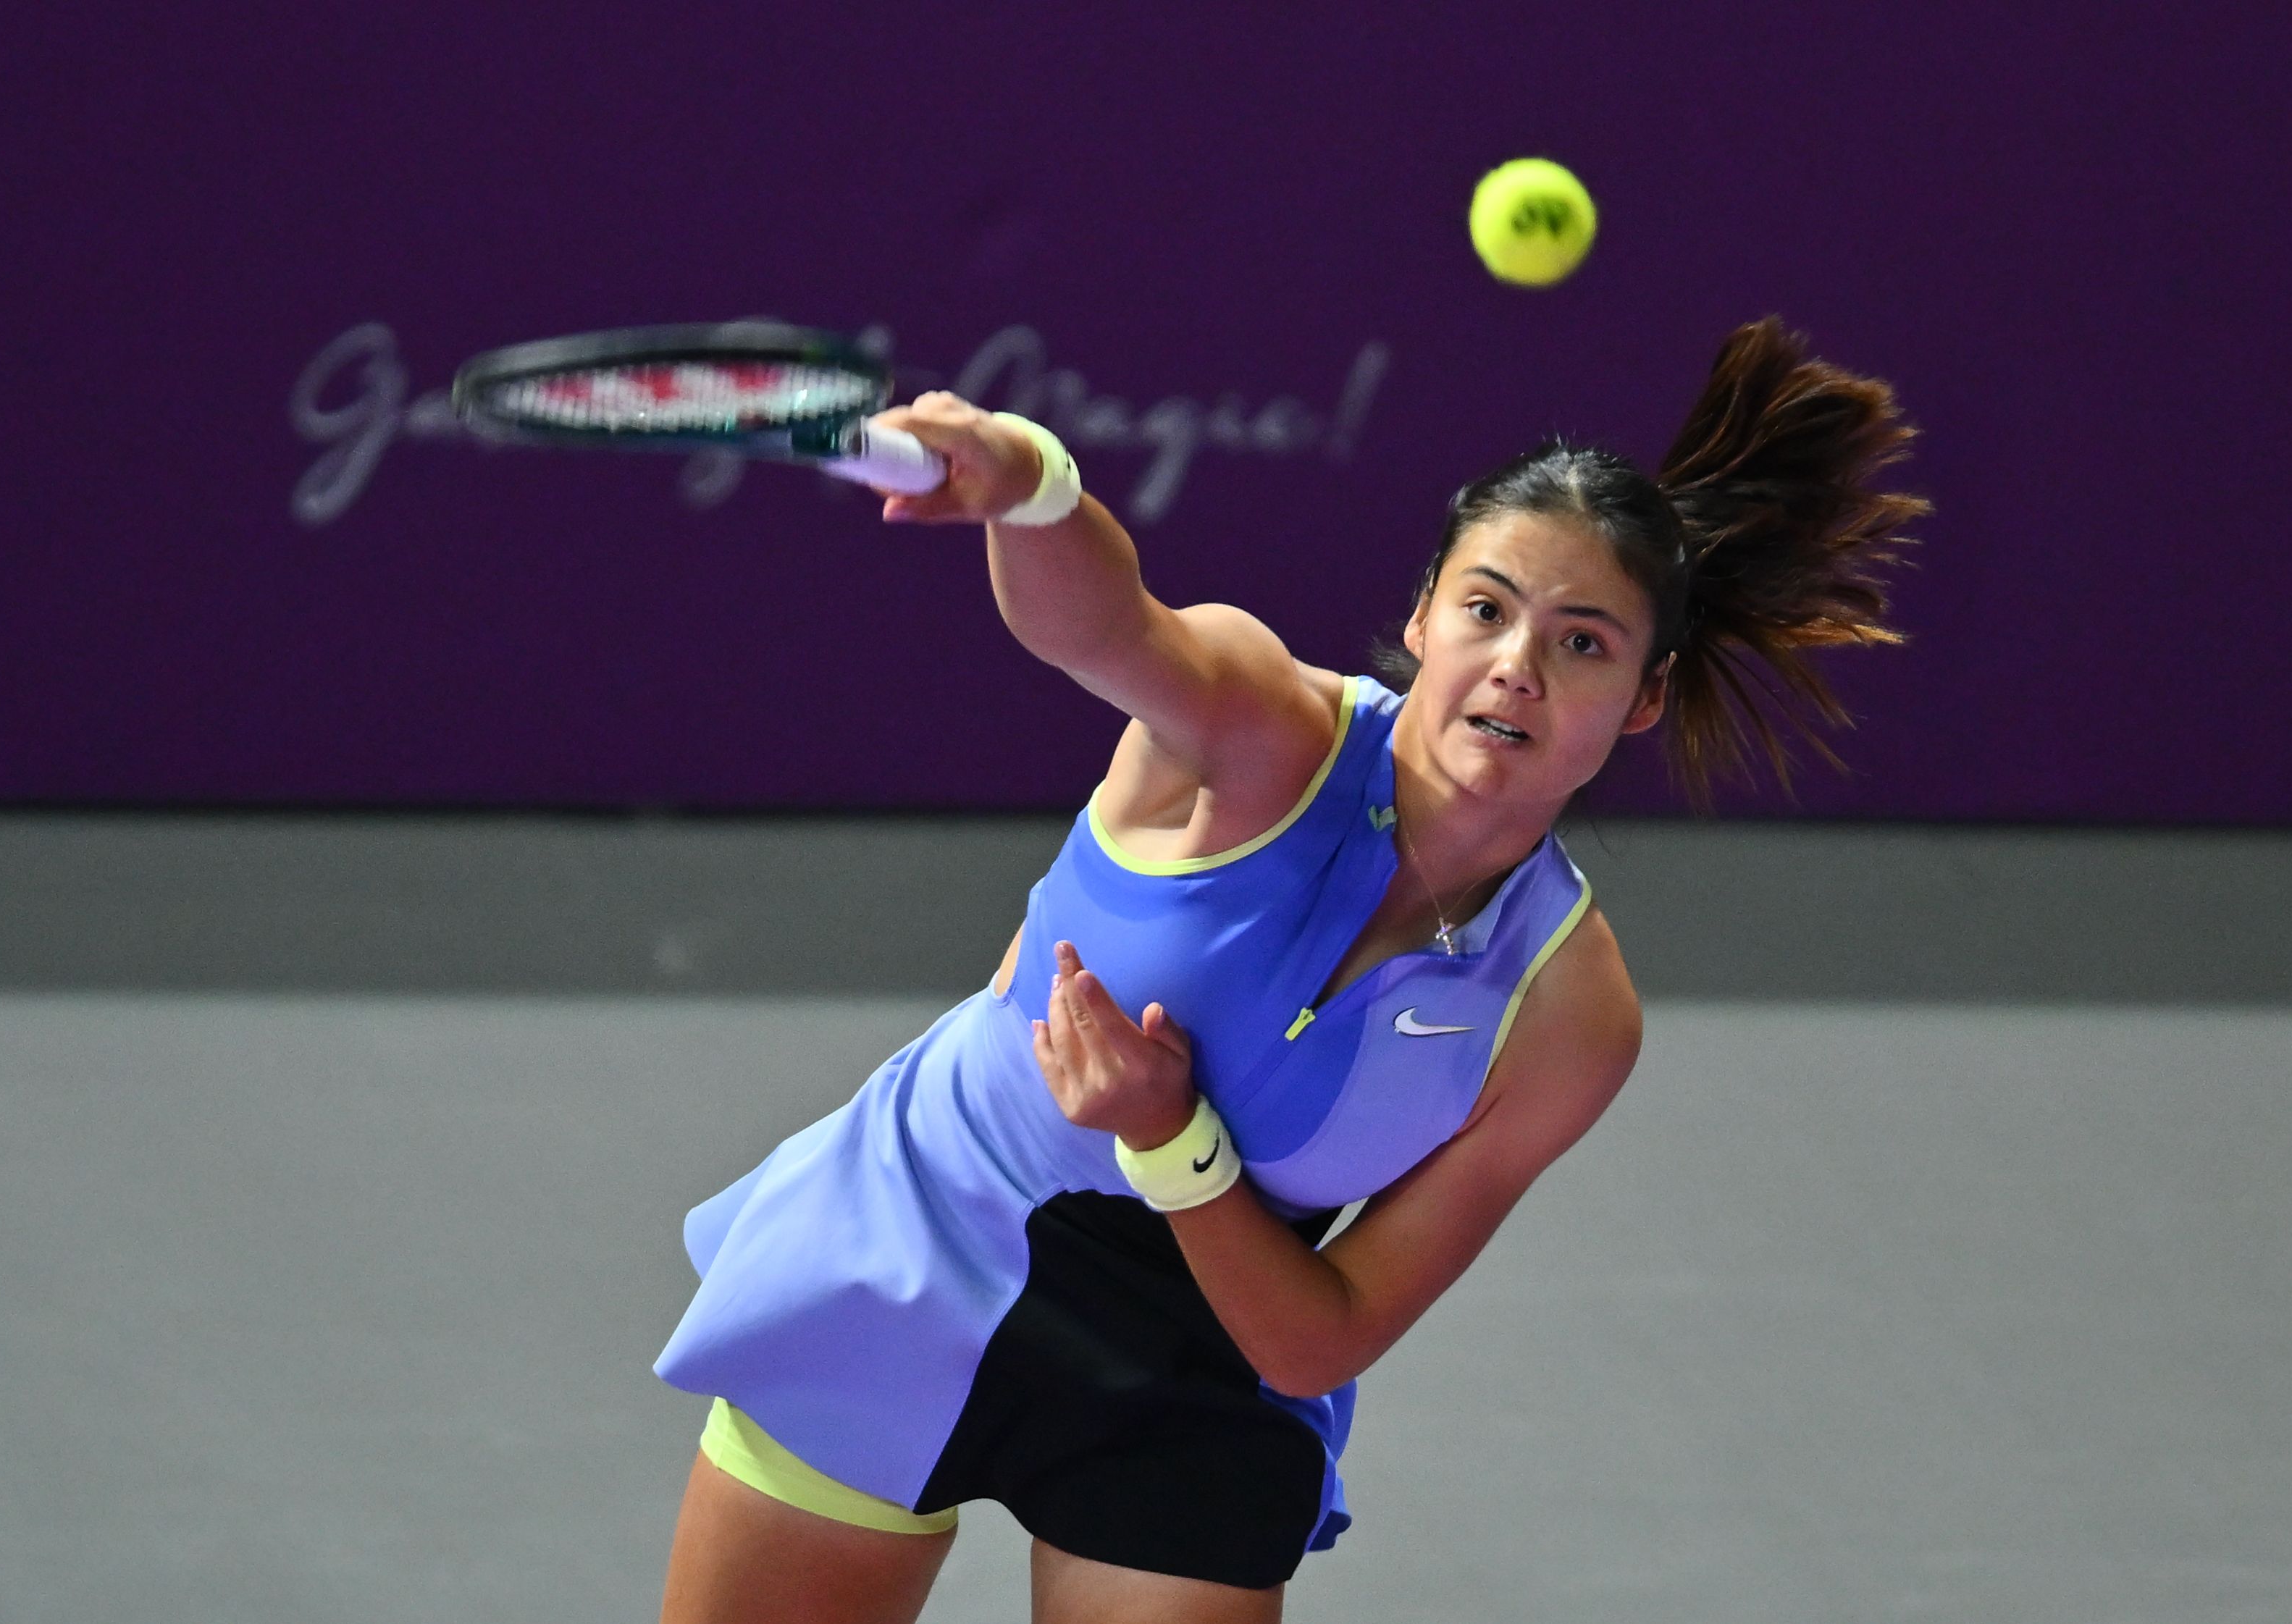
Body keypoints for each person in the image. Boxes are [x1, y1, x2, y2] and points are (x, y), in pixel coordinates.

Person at [653, 316, 1928, 1624]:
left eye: (1582, 642)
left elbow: (1320, 1334)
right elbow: (1101, 623)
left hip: (1197, 1360)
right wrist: (1028, 486)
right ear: (1426, 615)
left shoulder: (1567, 1015)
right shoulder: (1264, 730)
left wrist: (1172, 1143)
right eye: (1486, 610)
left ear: (1644, 698)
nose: (1516, 667)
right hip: (926, 1236)